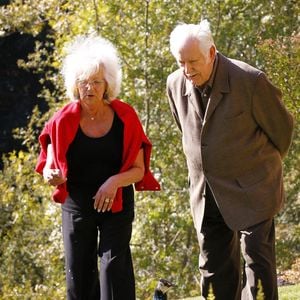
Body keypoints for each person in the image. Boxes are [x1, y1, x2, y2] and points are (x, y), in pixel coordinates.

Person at [166, 19, 294, 300]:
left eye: (193, 62)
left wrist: (257, 168)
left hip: (254, 188)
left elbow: (282, 130)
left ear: (211, 53)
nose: (187, 70)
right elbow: (190, 133)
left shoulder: (250, 80)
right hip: (206, 192)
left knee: (258, 268)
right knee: (212, 271)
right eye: (181, 62)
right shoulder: (174, 84)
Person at [36, 34, 160, 300]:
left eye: (96, 82)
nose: (89, 88)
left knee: (114, 270)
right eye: (83, 82)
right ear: (75, 85)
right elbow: (48, 165)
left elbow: (139, 170)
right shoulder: (62, 120)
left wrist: (114, 182)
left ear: (107, 85)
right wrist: (51, 175)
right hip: (78, 203)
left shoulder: (125, 117)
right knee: (79, 274)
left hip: (116, 203)